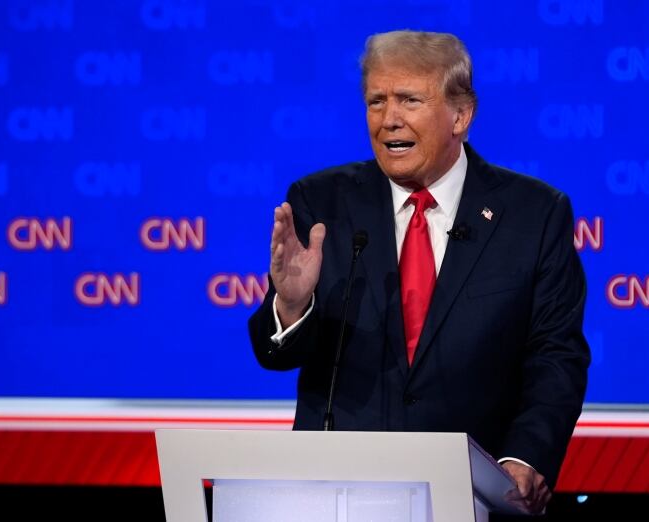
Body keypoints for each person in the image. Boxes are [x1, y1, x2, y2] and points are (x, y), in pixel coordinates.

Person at [249, 30, 589, 516]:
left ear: (460, 115)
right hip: (340, 495)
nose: (389, 120)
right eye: (376, 101)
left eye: (409, 99)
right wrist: (292, 305)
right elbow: (274, 355)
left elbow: (556, 356)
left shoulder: (533, 214)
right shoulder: (322, 203)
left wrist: (524, 457)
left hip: (474, 497)